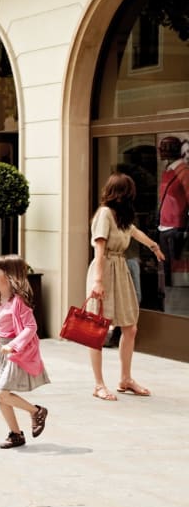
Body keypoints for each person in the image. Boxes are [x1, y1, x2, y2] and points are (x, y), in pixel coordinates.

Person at [86, 173, 164, 400]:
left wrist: (153, 246)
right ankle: (99, 384)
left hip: (120, 270)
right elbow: (99, 248)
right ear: (121, 193)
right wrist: (98, 281)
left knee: (130, 327)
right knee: (97, 331)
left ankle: (125, 378)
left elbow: (133, 232)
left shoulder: (121, 216)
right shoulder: (104, 214)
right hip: (104, 270)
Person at [0, 254, 50, 449]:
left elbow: (30, 327)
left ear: (9, 277)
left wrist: (14, 345)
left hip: (15, 352)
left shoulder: (20, 302)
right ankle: (16, 434)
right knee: (1, 394)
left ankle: (36, 411)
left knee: (1, 393)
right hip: (3, 351)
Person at [157, 136, 189, 305]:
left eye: (164, 147)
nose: (161, 151)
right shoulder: (168, 171)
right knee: (166, 268)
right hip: (164, 225)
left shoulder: (183, 172)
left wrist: (186, 228)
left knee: (174, 268)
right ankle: (168, 301)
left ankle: (175, 303)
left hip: (176, 226)